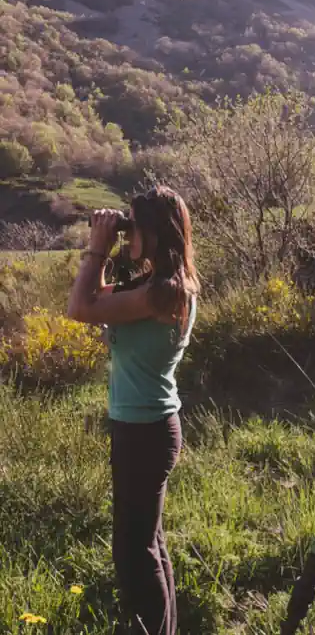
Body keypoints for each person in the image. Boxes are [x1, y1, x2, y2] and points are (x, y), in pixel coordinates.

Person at [68, 185, 199, 635]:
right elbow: (98, 295)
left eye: (134, 228)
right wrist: (111, 247)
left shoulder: (163, 293)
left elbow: (80, 306)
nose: (129, 237)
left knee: (132, 549)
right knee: (149, 541)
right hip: (142, 428)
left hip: (145, 432)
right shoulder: (155, 285)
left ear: (156, 233)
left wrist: (97, 247)